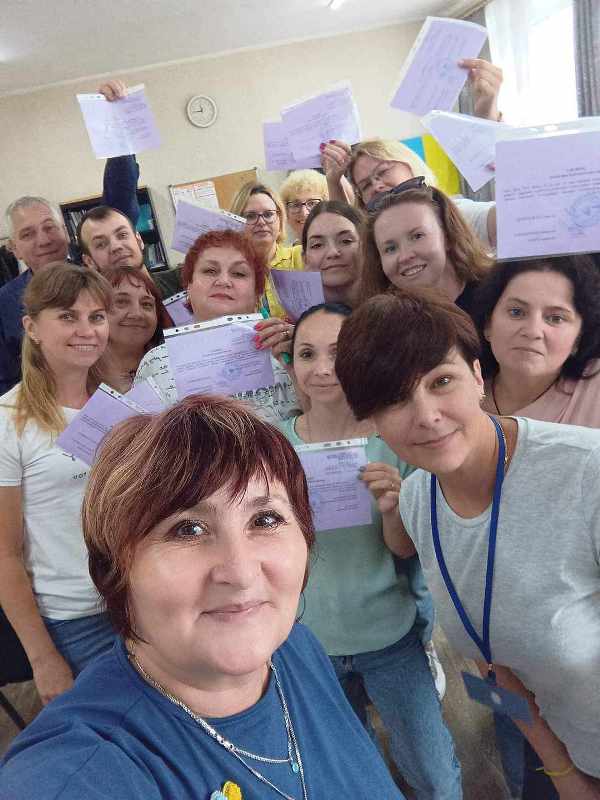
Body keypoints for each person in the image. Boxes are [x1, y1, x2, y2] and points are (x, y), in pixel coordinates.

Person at [0, 394, 407, 800]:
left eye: (265, 519)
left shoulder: (296, 649)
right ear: (115, 568)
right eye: (188, 529)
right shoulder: (80, 773)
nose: (241, 572)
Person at [335, 289, 600, 800]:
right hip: (561, 753)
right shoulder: (418, 500)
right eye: (394, 399)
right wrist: (563, 772)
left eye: (441, 381)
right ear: (370, 419)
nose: (427, 415)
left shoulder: (586, 471)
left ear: (478, 376)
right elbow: (493, 662)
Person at [278, 303, 461, 799]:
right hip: (312, 640)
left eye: (337, 354)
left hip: (389, 635)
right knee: (349, 769)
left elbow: (404, 551)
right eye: (306, 354)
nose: (322, 368)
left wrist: (393, 508)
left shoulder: (395, 444)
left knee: (433, 771)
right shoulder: (275, 448)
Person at [0, 263, 117, 707]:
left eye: (96, 317)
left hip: (141, 601)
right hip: (75, 622)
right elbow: (4, 554)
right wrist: (42, 656)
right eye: (68, 316)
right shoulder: (9, 421)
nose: (86, 330)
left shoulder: (117, 405)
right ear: (32, 328)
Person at [0, 80, 141, 396]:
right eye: (28, 234)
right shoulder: (4, 304)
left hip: (121, 392)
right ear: (14, 248)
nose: (43, 239)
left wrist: (115, 124)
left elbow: (118, 201)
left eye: (50, 227)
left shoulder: (96, 267)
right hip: (48, 410)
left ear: (65, 230)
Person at [321, 59, 503, 249]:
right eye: (365, 185)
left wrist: (488, 118)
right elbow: (348, 237)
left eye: (382, 172)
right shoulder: (374, 240)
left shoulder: (454, 215)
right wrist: (333, 181)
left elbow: (509, 221)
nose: (376, 186)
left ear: (410, 165)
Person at [135, 229, 298, 424]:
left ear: (257, 293)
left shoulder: (287, 352)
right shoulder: (155, 363)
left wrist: (303, 355)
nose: (223, 281)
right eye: (210, 271)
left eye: (238, 273)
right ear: (188, 286)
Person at [473, 255, 600, 426]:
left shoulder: (594, 391)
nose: (533, 332)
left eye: (555, 318)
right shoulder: (459, 389)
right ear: (488, 324)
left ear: (579, 338)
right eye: (516, 312)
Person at [361, 183, 493, 316]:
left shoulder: (498, 294)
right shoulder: (383, 323)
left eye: (417, 236)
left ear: (447, 235)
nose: (405, 256)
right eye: (390, 249)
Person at [230, 181, 303, 318]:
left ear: (280, 219)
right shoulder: (230, 274)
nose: (261, 222)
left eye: (268, 214)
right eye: (250, 216)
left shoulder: (302, 256)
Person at [77, 204, 183, 299]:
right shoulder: (94, 310)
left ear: (139, 240)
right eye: (101, 244)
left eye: (122, 235)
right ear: (89, 261)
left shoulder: (183, 281)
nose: (116, 247)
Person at [101, 266, 173, 394]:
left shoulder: (177, 366)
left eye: (146, 304)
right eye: (122, 302)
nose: (137, 314)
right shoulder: (77, 374)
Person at [301, 200, 364, 307]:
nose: (332, 252)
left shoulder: (391, 310)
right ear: (305, 259)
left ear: (366, 247)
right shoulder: (300, 317)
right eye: (317, 245)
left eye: (346, 241)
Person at [279, 169, 328, 244]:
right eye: (296, 205)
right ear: (286, 213)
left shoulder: (338, 249)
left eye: (312, 203)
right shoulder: (285, 251)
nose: (304, 212)